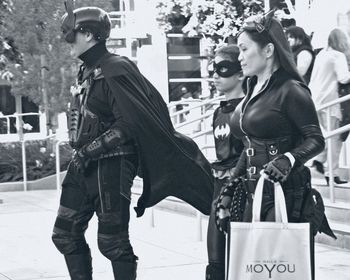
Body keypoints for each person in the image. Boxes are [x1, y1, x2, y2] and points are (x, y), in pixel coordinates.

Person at [53, 1, 213, 279]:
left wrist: (90, 151)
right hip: (84, 164)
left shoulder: (116, 67)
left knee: (112, 243)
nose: (68, 41)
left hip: (111, 165)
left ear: (89, 34)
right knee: (64, 235)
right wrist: (83, 154)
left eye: (72, 34)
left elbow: (130, 123)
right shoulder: (88, 71)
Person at [215, 12, 326, 280]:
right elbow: (249, 146)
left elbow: (316, 139)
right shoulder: (253, 86)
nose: (239, 56)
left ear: (267, 50)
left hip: (285, 195)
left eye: (244, 49)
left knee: (282, 271)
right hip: (252, 193)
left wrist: (288, 158)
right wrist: (230, 187)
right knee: (254, 270)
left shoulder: (291, 89)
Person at [206, 45, 244, 280]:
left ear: (240, 73)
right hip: (220, 186)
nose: (216, 75)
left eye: (223, 69)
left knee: (239, 257)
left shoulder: (251, 108)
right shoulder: (218, 112)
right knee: (215, 256)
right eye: (214, 69)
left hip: (242, 189)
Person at [309, 28, 350, 185]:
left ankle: (319, 159)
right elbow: (344, 78)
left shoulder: (321, 54)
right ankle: (331, 173)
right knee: (335, 138)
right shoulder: (337, 56)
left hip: (316, 99)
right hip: (330, 100)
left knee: (326, 134)